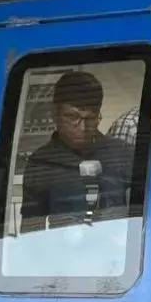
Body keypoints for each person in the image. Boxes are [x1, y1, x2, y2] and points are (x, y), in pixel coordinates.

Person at [20, 70, 134, 231]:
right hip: (64, 251)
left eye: (90, 118)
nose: (82, 127)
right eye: (73, 117)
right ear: (55, 114)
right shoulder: (40, 163)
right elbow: (31, 228)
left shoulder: (122, 154)